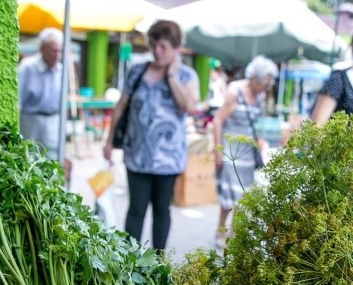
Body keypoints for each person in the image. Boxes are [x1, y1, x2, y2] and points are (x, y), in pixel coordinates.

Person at [103, 20, 199, 252]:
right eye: (154, 45)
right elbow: (121, 106)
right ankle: (128, 260)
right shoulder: (138, 71)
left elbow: (189, 106)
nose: (157, 51)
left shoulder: (187, 75)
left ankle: (158, 261)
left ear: (177, 48)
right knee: (136, 208)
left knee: (161, 210)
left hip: (168, 159)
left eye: (163, 46)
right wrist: (108, 140)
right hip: (137, 154)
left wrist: (172, 76)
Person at [212, 55, 278, 250]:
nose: (268, 87)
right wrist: (217, 151)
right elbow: (218, 121)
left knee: (243, 195)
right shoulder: (235, 92)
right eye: (266, 83)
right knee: (229, 194)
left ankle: (233, 234)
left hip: (248, 150)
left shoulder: (259, 95)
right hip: (231, 148)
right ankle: (220, 231)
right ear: (254, 79)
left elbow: (253, 122)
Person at [18, 28, 64, 161]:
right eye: (53, 51)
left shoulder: (60, 69)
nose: (57, 55)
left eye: (59, 51)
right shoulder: (28, 67)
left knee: (53, 158)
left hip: (54, 119)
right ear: (43, 49)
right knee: (29, 157)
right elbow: (17, 99)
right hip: (31, 119)